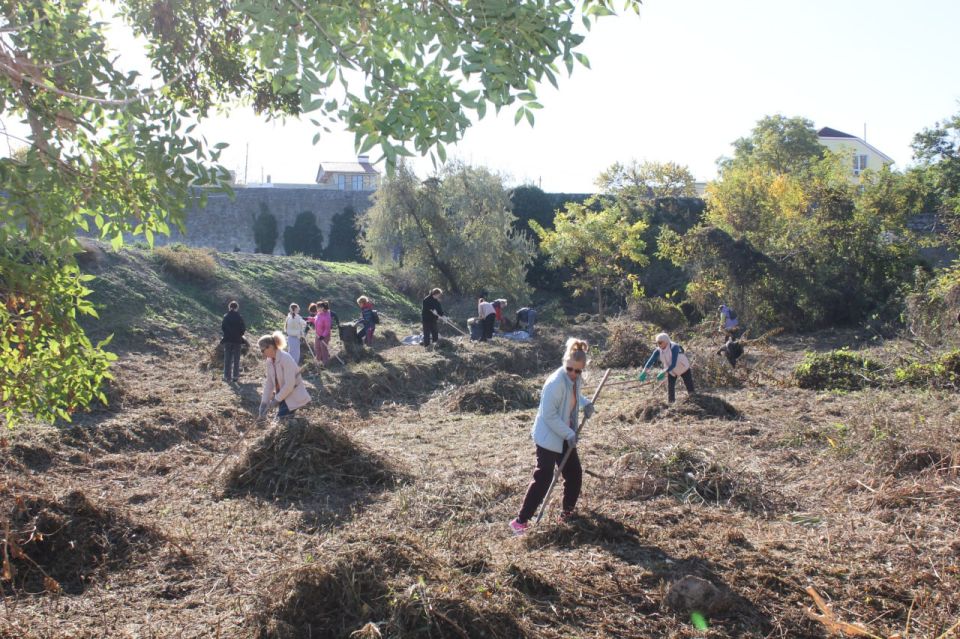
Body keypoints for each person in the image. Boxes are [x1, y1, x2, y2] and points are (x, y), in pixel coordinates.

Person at [509, 338, 595, 535]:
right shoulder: (555, 382)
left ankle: (567, 514)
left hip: (565, 433)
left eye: (578, 371)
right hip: (549, 435)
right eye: (570, 369)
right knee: (544, 476)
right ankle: (520, 522)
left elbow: (573, 395)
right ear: (565, 363)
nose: (573, 373)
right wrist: (569, 433)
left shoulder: (574, 380)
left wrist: (585, 403)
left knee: (574, 473)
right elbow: (549, 415)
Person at [257, 332, 311, 419]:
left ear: (270, 347)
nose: (262, 353)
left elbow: (290, 384)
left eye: (263, 350)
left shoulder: (285, 358)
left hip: (293, 395)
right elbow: (269, 383)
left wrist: (276, 400)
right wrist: (264, 403)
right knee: (283, 421)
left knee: (280, 421)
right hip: (283, 396)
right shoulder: (270, 361)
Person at [639, 332, 695, 404]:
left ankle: (694, 401)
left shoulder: (674, 347)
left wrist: (663, 372)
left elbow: (673, 363)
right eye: (657, 343)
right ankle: (671, 404)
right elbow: (651, 360)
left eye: (660, 343)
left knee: (689, 386)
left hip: (683, 367)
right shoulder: (658, 350)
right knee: (670, 388)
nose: (658, 345)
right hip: (671, 370)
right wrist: (644, 371)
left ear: (666, 342)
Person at [220, 300, 245, 383]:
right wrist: (239, 335)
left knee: (227, 358)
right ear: (237, 308)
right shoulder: (240, 317)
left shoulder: (226, 316)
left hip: (228, 340)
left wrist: (227, 334)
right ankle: (235, 376)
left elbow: (223, 328)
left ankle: (227, 376)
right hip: (237, 340)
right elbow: (243, 329)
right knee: (236, 359)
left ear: (229, 307)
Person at [313, 300, 333, 366]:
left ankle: (325, 363)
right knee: (317, 347)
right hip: (317, 335)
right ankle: (317, 362)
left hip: (325, 336)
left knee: (323, 348)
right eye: (317, 307)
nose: (317, 309)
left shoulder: (327, 316)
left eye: (318, 308)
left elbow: (327, 328)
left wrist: (323, 336)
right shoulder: (319, 314)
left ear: (322, 308)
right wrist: (307, 319)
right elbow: (315, 319)